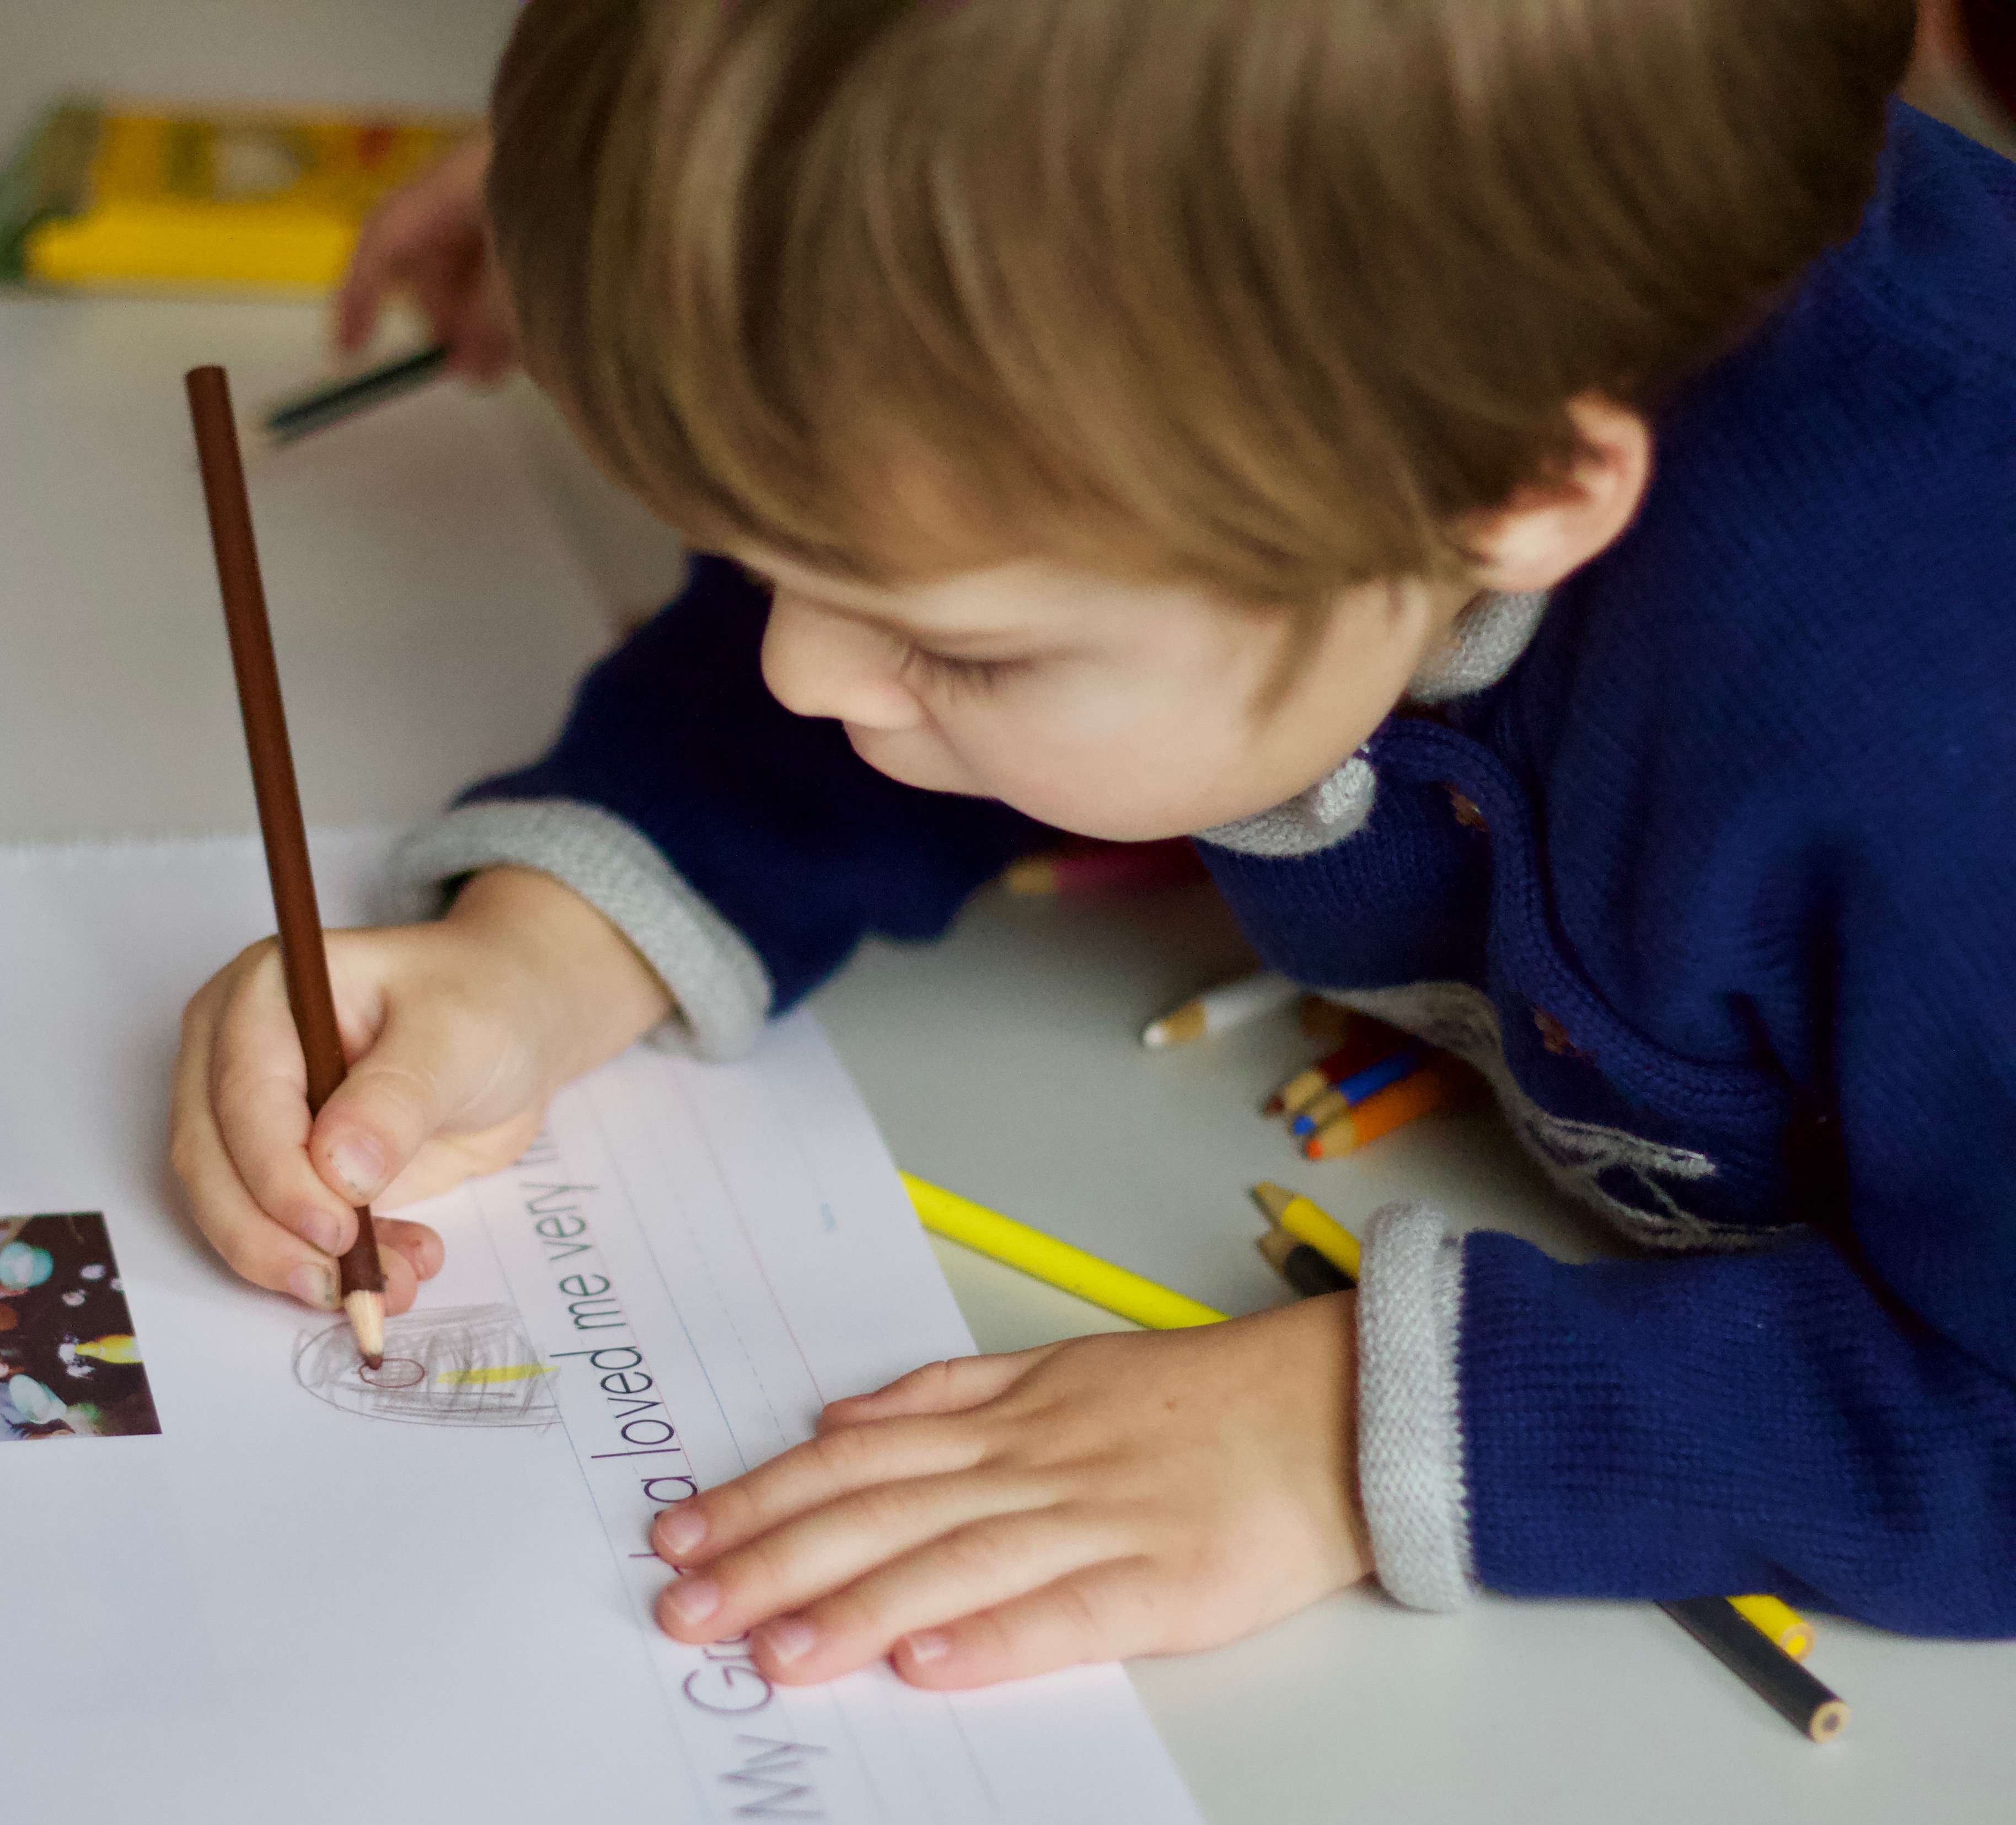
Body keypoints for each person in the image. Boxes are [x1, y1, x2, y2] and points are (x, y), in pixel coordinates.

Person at [170, 0, 2016, 1689]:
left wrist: (1355, 1431)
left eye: (963, 647)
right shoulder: (1269, 397)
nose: (795, 668)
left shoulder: (1935, 716)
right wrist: (560, 935)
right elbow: (946, 561)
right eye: (777, 562)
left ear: (1509, 498)